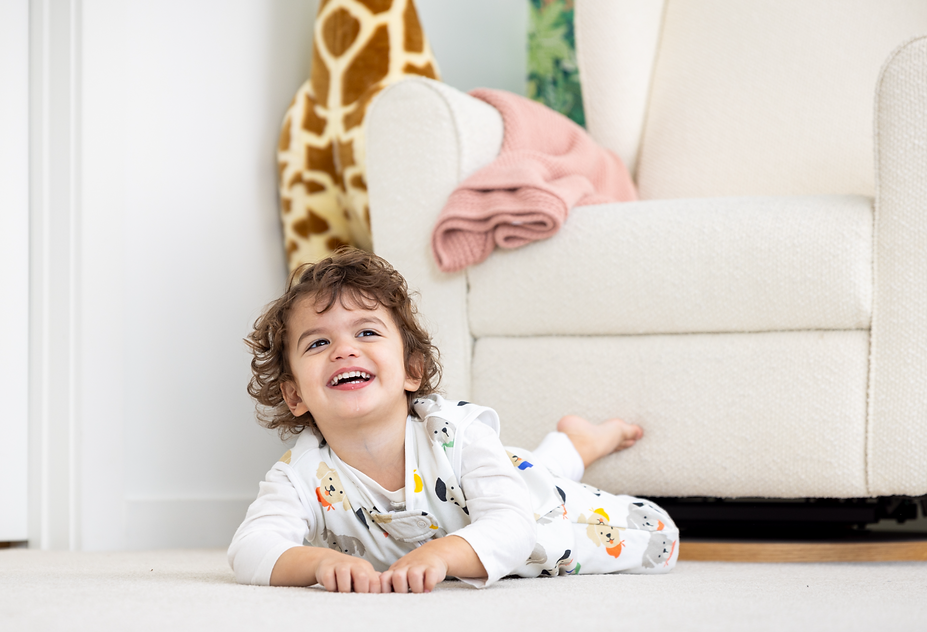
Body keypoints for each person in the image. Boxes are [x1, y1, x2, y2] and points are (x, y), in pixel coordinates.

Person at [229, 249, 678, 593]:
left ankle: (575, 447)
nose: (343, 349)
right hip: (492, 482)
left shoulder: (455, 435)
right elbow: (249, 548)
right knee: (517, 469)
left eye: (366, 331)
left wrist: (444, 555)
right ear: (294, 395)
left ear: (412, 370)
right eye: (317, 343)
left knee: (658, 537)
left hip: (541, 511)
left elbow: (513, 524)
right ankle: (572, 443)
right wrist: (317, 564)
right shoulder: (300, 473)